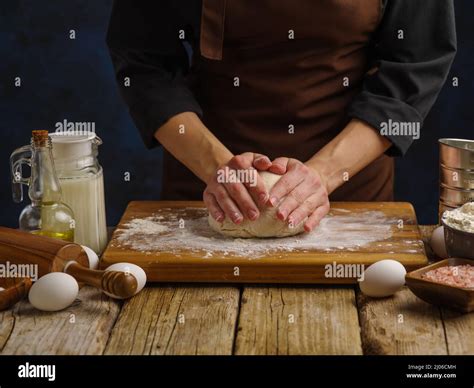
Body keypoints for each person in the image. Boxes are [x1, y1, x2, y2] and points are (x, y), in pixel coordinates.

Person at [106, 0, 456, 232]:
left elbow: (415, 64)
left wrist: (322, 175)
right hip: (206, 190)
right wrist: (217, 167)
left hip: (351, 193)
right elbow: (143, 61)